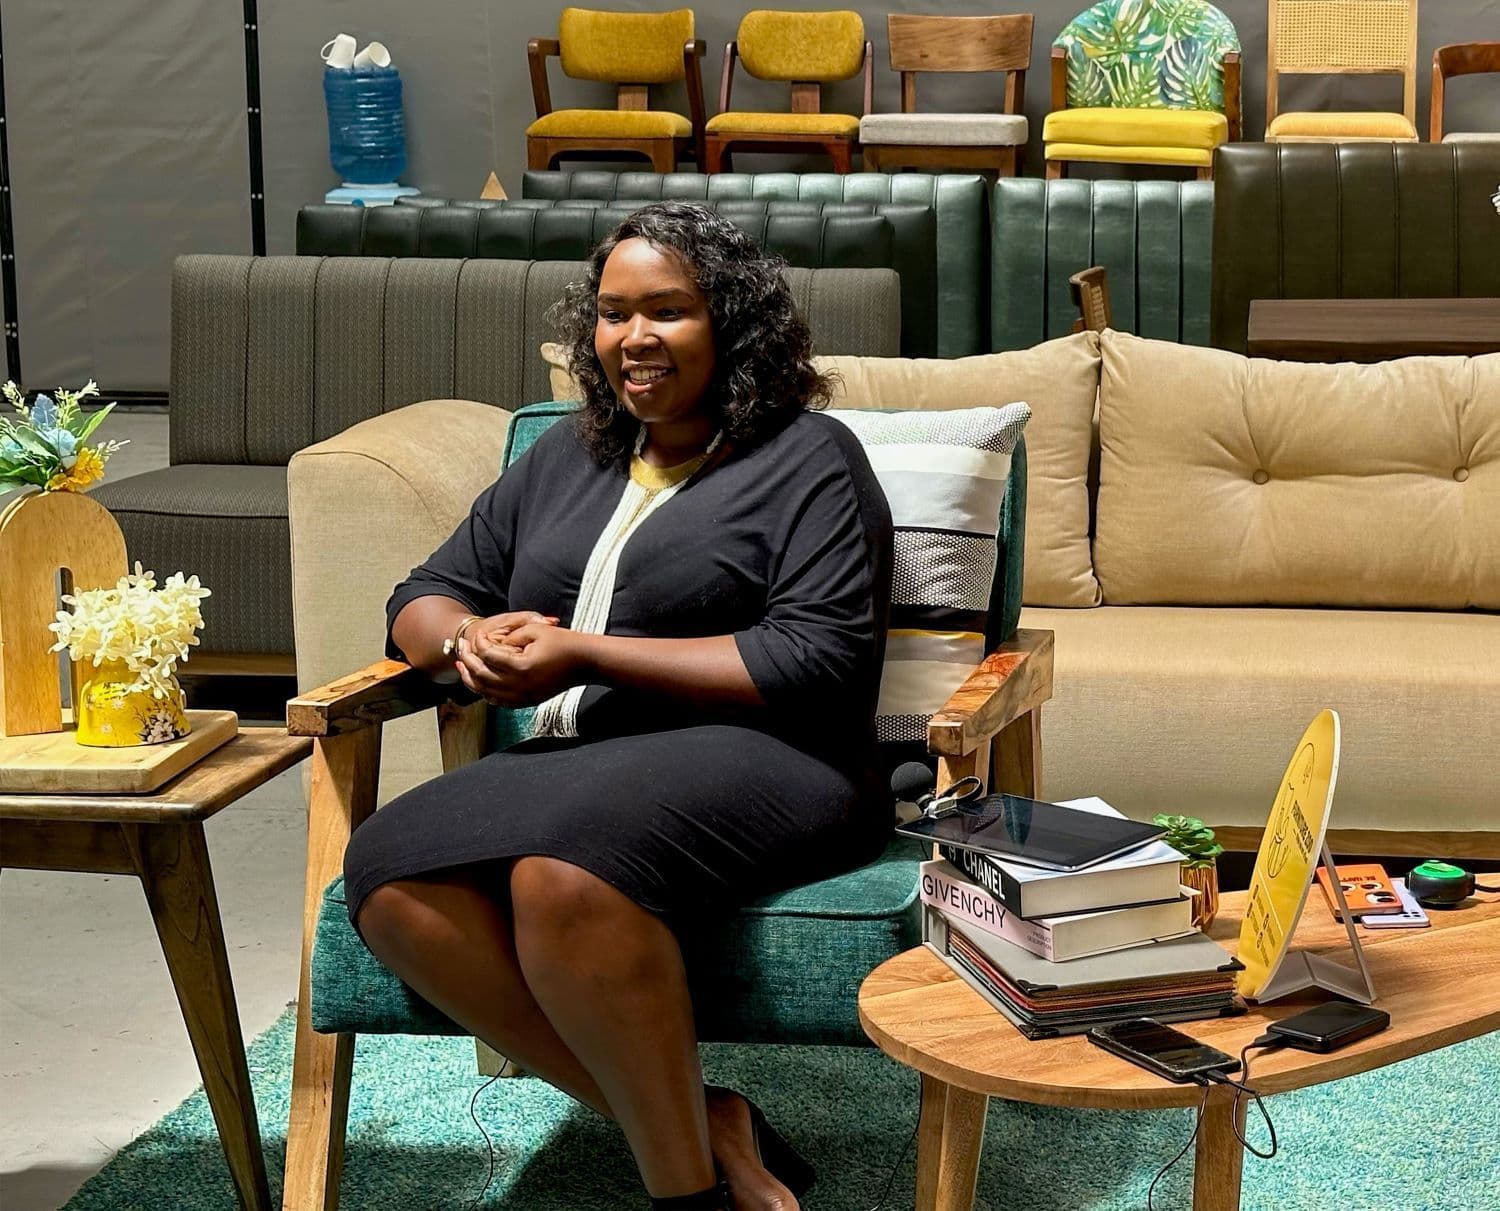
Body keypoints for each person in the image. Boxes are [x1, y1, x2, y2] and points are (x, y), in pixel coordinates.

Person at [343, 201, 894, 1211]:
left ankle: (689, 1194)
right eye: (612, 312)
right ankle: (709, 1115)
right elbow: (419, 593)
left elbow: (818, 653)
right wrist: (463, 640)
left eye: (668, 311)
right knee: (388, 871)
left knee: (567, 875)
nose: (634, 336)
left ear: (731, 323)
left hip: (779, 755)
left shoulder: (811, 458)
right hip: (579, 765)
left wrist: (583, 653)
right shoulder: (567, 455)